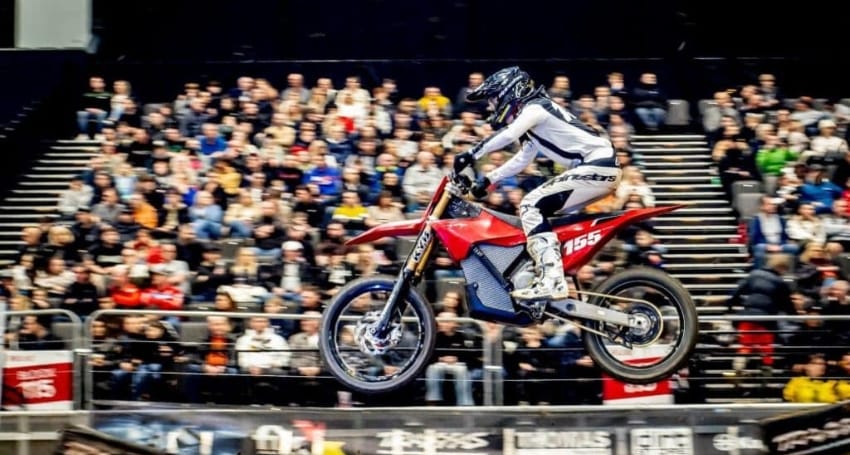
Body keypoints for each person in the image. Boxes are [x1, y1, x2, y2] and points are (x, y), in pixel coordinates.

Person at [454, 66, 621, 300]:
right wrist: (489, 179)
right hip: (597, 168)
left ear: (509, 92)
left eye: (493, 99)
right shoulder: (535, 121)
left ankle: (552, 279)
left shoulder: (535, 108)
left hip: (597, 165)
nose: (492, 106)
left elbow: (509, 135)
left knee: (530, 205)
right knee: (544, 217)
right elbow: (522, 158)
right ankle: (546, 270)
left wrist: (471, 154)